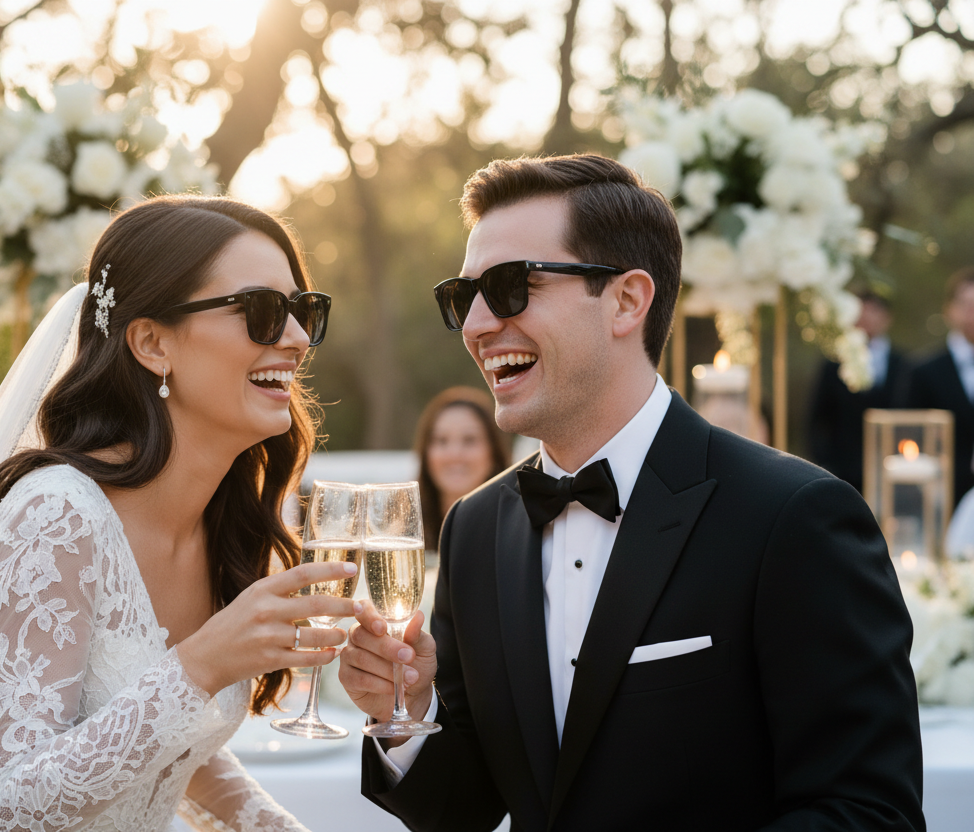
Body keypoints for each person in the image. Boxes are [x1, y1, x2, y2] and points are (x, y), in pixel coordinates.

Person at [339, 154, 923, 831]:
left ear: (626, 301)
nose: (474, 325)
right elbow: (464, 807)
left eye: (509, 286)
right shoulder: (475, 527)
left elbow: (869, 812)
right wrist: (406, 714)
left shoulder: (793, 517)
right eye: (462, 296)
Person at [0, 195, 350, 832]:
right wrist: (201, 665)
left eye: (303, 311)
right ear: (152, 343)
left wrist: (274, 826)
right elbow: (6, 803)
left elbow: (175, 739)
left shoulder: (223, 517)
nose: (297, 339)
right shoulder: (55, 517)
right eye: (262, 311)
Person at [808, 290, 910, 493]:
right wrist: (826, 463)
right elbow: (817, 418)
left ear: (887, 317)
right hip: (843, 472)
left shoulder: (904, 364)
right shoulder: (833, 364)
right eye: (861, 311)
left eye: (874, 311)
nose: (866, 317)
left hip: (892, 469)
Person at [907, 265, 974, 505]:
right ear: (949, 310)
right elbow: (910, 435)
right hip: (941, 497)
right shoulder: (923, 372)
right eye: (966, 304)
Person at [414, 386, 510, 549]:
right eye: (441, 440)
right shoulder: (399, 533)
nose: (455, 454)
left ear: (494, 451)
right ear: (425, 453)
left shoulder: (520, 532)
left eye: (469, 440)